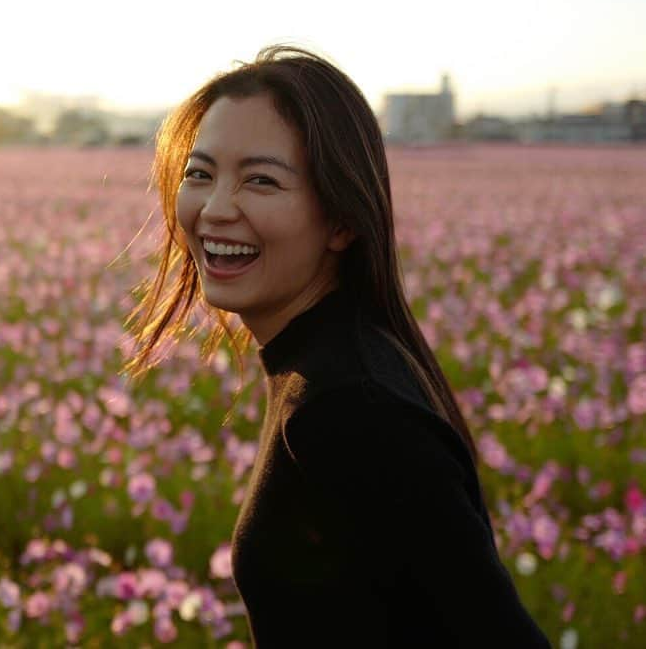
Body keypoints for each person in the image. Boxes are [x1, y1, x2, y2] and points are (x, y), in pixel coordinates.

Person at [122, 45, 552, 647]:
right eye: (200, 173)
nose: (215, 209)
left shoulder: (350, 409)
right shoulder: (334, 365)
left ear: (343, 220)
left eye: (261, 180)